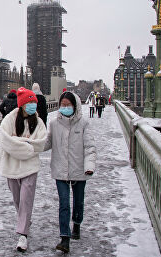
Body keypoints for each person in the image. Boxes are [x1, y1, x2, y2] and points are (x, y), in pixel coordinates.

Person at [45, 91, 96, 253]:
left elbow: (89, 147)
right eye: (62, 105)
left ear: (75, 106)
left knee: (78, 202)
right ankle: (64, 238)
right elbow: (47, 142)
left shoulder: (83, 124)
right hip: (60, 169)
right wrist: (29, 146)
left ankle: (77, 223)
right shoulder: (54, 123)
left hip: (79, 169)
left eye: (68, 105)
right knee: (64, 204)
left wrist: (89, 166)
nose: (65, 107)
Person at [0, 87, 47, 252]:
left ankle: (22, 235)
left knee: (26, 198)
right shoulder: (9, 120)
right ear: (23, 104)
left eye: (35, 102)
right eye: (31, 102)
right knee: (18, 199)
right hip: (11, 165)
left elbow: (41, 143)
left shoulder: (38, 122)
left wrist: (17, 141)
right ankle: (25, 220)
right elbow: (6, 142)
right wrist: (26, 144)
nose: (34, 105)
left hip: (30, 167)